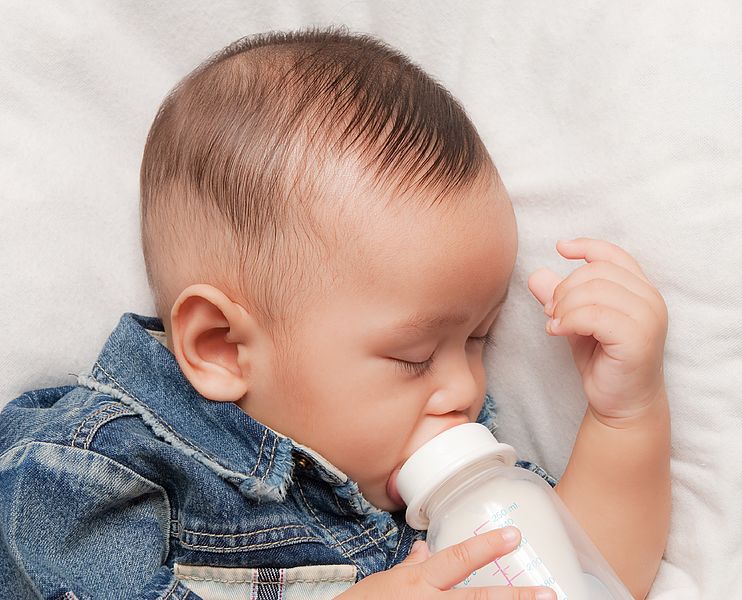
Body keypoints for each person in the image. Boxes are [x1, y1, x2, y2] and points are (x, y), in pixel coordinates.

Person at [0, 25, 670, 600]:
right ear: (223, 348)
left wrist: (625, 416)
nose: (465, 389)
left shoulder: (445, 482)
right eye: (412, 358)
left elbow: (586, 572)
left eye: (478, 339)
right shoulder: (103, 468)